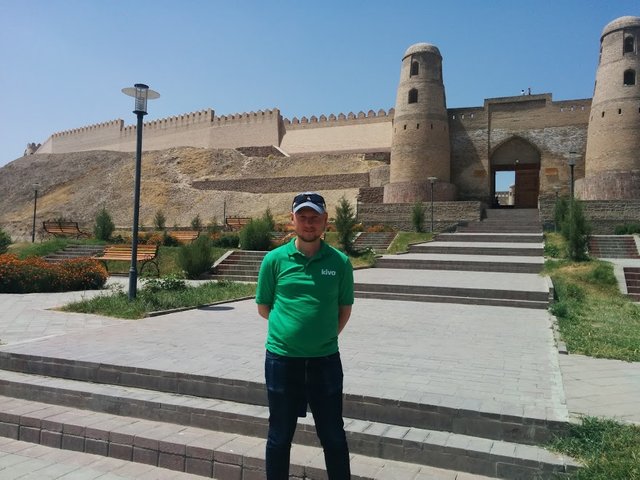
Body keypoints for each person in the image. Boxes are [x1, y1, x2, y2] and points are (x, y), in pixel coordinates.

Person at [256, 191, 354, 480]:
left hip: (325, 361)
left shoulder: (339, 262)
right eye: (303, 217)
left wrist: (319, 338)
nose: (308, 223)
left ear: (325, 221)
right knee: (279, 435)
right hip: (282, 361)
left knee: (333, 435)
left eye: (315, 218)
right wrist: (293, 335)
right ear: (292, 220)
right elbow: (264, 307)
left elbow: (344, 310)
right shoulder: (274, 261)